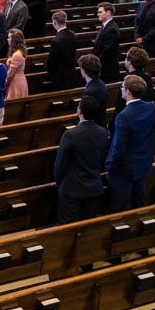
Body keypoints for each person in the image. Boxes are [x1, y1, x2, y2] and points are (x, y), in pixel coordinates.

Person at [105, 74, 155, 211]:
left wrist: (111, 167)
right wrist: (151, 149)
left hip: (123, 170)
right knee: (140, 204)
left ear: (128, 92)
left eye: (122, 87)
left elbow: (119, 149)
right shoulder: (151, 108)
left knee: (121, 209)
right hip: (143, 164)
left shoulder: (123, 117)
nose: (121, 89)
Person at [54, 95, 109, 223]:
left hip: (72, 189)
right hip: (93, 188)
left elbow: (60, 165)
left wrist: (60, 183)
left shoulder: (70, 135)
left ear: (79, 111)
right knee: (87, 228)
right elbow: (102, 159)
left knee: (68, 226)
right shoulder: (103, 132)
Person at [45, 11, 77, 91]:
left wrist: (50, 74)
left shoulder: (56, 40)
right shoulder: (73, 34)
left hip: (60, 76)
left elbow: (52, 61)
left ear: (54, 22)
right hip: (71, 72)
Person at [93, 2, 120, 84]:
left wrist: (94, 62)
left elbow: (107, 51)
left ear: (108, 12)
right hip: (103, 67)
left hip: (107, 69)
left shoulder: (112, 29)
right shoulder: (105, 26)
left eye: (100, 12)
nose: (98, 14)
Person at [78, 54, 109, 127]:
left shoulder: (90, 91)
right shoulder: (100, 83)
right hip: (101, 124)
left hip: (94, 126)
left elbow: (88, 114)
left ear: (83, 70)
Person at [4, 28, 29, 100]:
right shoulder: (16, 52)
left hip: (16, 82)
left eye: (9, 38)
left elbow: (11, 74)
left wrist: (5, 83)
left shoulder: (17, 54)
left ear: (14, 40)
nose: (7, 39)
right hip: (16, 79)